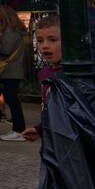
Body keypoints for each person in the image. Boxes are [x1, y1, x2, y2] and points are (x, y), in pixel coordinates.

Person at [0, 5, 29, 141]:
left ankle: (19, 130)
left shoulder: (10, 33)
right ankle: (18, 129)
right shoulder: (14, 32)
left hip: (10, 72)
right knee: (12, 101)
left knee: (12, 101)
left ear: (4, 19)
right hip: (12, 71)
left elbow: (5, 50)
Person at [22, 14, 62, 142]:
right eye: (40, 41)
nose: (45, 46)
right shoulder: (44, 74)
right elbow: (49, 111)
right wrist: (40, 129)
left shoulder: (74, 74)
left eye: (52, 40)